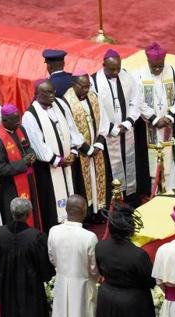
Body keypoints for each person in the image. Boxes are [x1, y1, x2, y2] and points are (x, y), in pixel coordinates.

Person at [95, 202, 158, 317]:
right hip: (133, 303)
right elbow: (150, 281)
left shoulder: (101, 247)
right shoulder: (138, 255)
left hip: (108, 299)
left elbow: (101, 270)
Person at [0, 198, 54, 317]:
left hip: (8, 286)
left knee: (11, 316)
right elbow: (45, 268)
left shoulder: (0, 234)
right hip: (30, 287)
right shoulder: (36, 237)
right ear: (29, 214)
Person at [47, 195, 99, 317]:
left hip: (62, 282)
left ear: (66, 210)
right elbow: (94, 269)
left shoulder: (54, 231)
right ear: (84, 211)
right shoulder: (89, 237)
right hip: (83, 286)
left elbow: (52, 258)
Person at [91, 49, 150, 206]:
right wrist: (111, 128)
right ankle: (114, 202)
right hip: (108, 134)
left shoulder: (127, 76)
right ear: (103, 65)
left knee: (130, 162)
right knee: (112, 168)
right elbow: (96, 110)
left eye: (118, 68)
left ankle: (131, 198)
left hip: (127, 130)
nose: (116, 72)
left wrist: (128, 121)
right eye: (112, 69)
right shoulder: (93, 82)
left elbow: (136, 100)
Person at [23, 80, 82, 231]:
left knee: (71, 191)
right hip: (48, 168)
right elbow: (37, 144)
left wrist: (74, 152)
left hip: (68, 163)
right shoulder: (30, 115)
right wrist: (58, 160)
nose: (52, 95)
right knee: (52, 203)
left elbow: (72, 128)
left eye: (53, 91)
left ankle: (74, 223)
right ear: (37, 95)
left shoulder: (60, 104)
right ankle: (57, 229)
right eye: (47, 93)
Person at [134, 42, 175, 190]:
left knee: (170, 159)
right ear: (148, 62)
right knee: (150, 160)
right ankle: (152, 192)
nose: (157, 69)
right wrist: (154, 119)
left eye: (160, 66)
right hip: (148, 126)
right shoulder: (138, 75)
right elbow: (137, 100)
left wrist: (169, 117)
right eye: (154, 66)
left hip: (169, 125)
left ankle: (171, 189)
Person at [62, 70, 111, 220]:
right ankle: (88, 214)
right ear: (73, 84)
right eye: (83, 87)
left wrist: (99, 143)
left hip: (97, 149)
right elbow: (70, 129)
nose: (86, 89)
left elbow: (104, 120)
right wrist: (87, 149)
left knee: (100, 180)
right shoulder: (66, 101)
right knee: (85, 184)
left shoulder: (94, 96)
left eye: (88, 86)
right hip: (82, 152)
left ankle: (100, 211)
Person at [0, 104, 41, 228]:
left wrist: (32, 155)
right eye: (15, 120)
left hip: (28, 180)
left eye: (19, 118)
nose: (19, 122)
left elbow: (28, 147)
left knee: (32, 212)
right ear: (5, 120)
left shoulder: (20, 129)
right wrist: (24, 163)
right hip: (12, 187)